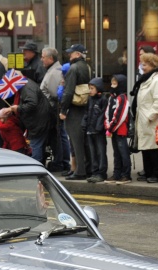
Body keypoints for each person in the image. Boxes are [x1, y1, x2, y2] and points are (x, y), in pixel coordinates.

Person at [60, 43, 91, 180]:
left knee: (75, 140)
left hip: (74, 108)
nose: (69, 55)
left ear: (78, 54)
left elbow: (68, 92)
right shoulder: (88, 67)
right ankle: (88, 167)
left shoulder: (74, 68)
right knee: (84, 140)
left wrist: (63, 110)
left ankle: (80, 171)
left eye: (71, 53)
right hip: (85, 106)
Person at [135, 52, 158, 183]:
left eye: (145, 64)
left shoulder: (157, 81)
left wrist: (149, 116)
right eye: (142, 64)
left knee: (154, 148)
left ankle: (157, 174)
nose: (142, 67)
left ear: (153, 66)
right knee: (145, 148)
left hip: (151, 120)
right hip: (143, 119)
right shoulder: (146, 80)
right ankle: (148, 172)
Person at [11, 75, 50, 164]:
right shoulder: (25, 86)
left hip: (38, 121)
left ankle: (35, 168)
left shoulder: (27, 87)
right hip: (38, 120)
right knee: (38, 145)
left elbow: (32, 103)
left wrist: (18, 108)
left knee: (35, 145)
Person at [40, 47, 65, 171]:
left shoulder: (55, 72)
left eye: (43, 57)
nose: (41, 59)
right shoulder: (52, 70)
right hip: (51, 110)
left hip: (52, 110)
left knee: (59, 137)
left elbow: (55, 94)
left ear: (50, 58)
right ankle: (61, 161)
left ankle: (61, 162)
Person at [105, 74, 130, 183]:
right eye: (112, 83)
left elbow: (120, 115)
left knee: (123, 152)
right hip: (113, 130)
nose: (112, 85)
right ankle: (116, 173)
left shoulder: (122, 98)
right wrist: (107, 125)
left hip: (120, 130)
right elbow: (107, 112)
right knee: (116, 153)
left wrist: (110, 128)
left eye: (115, 83)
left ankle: (126, 174)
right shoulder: (112, 97)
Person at [83, 77, 108, 182]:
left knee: (100, 152)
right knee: (93, 152)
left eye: (92, 88)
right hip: (90, 129)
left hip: (98, 131)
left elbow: (103, 115)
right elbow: (87, 113)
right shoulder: (90, 99)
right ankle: (94, 172)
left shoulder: (103, 99)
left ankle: (101, 173)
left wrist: (99, 127)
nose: (90, 90)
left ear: (98, 89)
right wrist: (84, 123)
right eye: (89, 88)